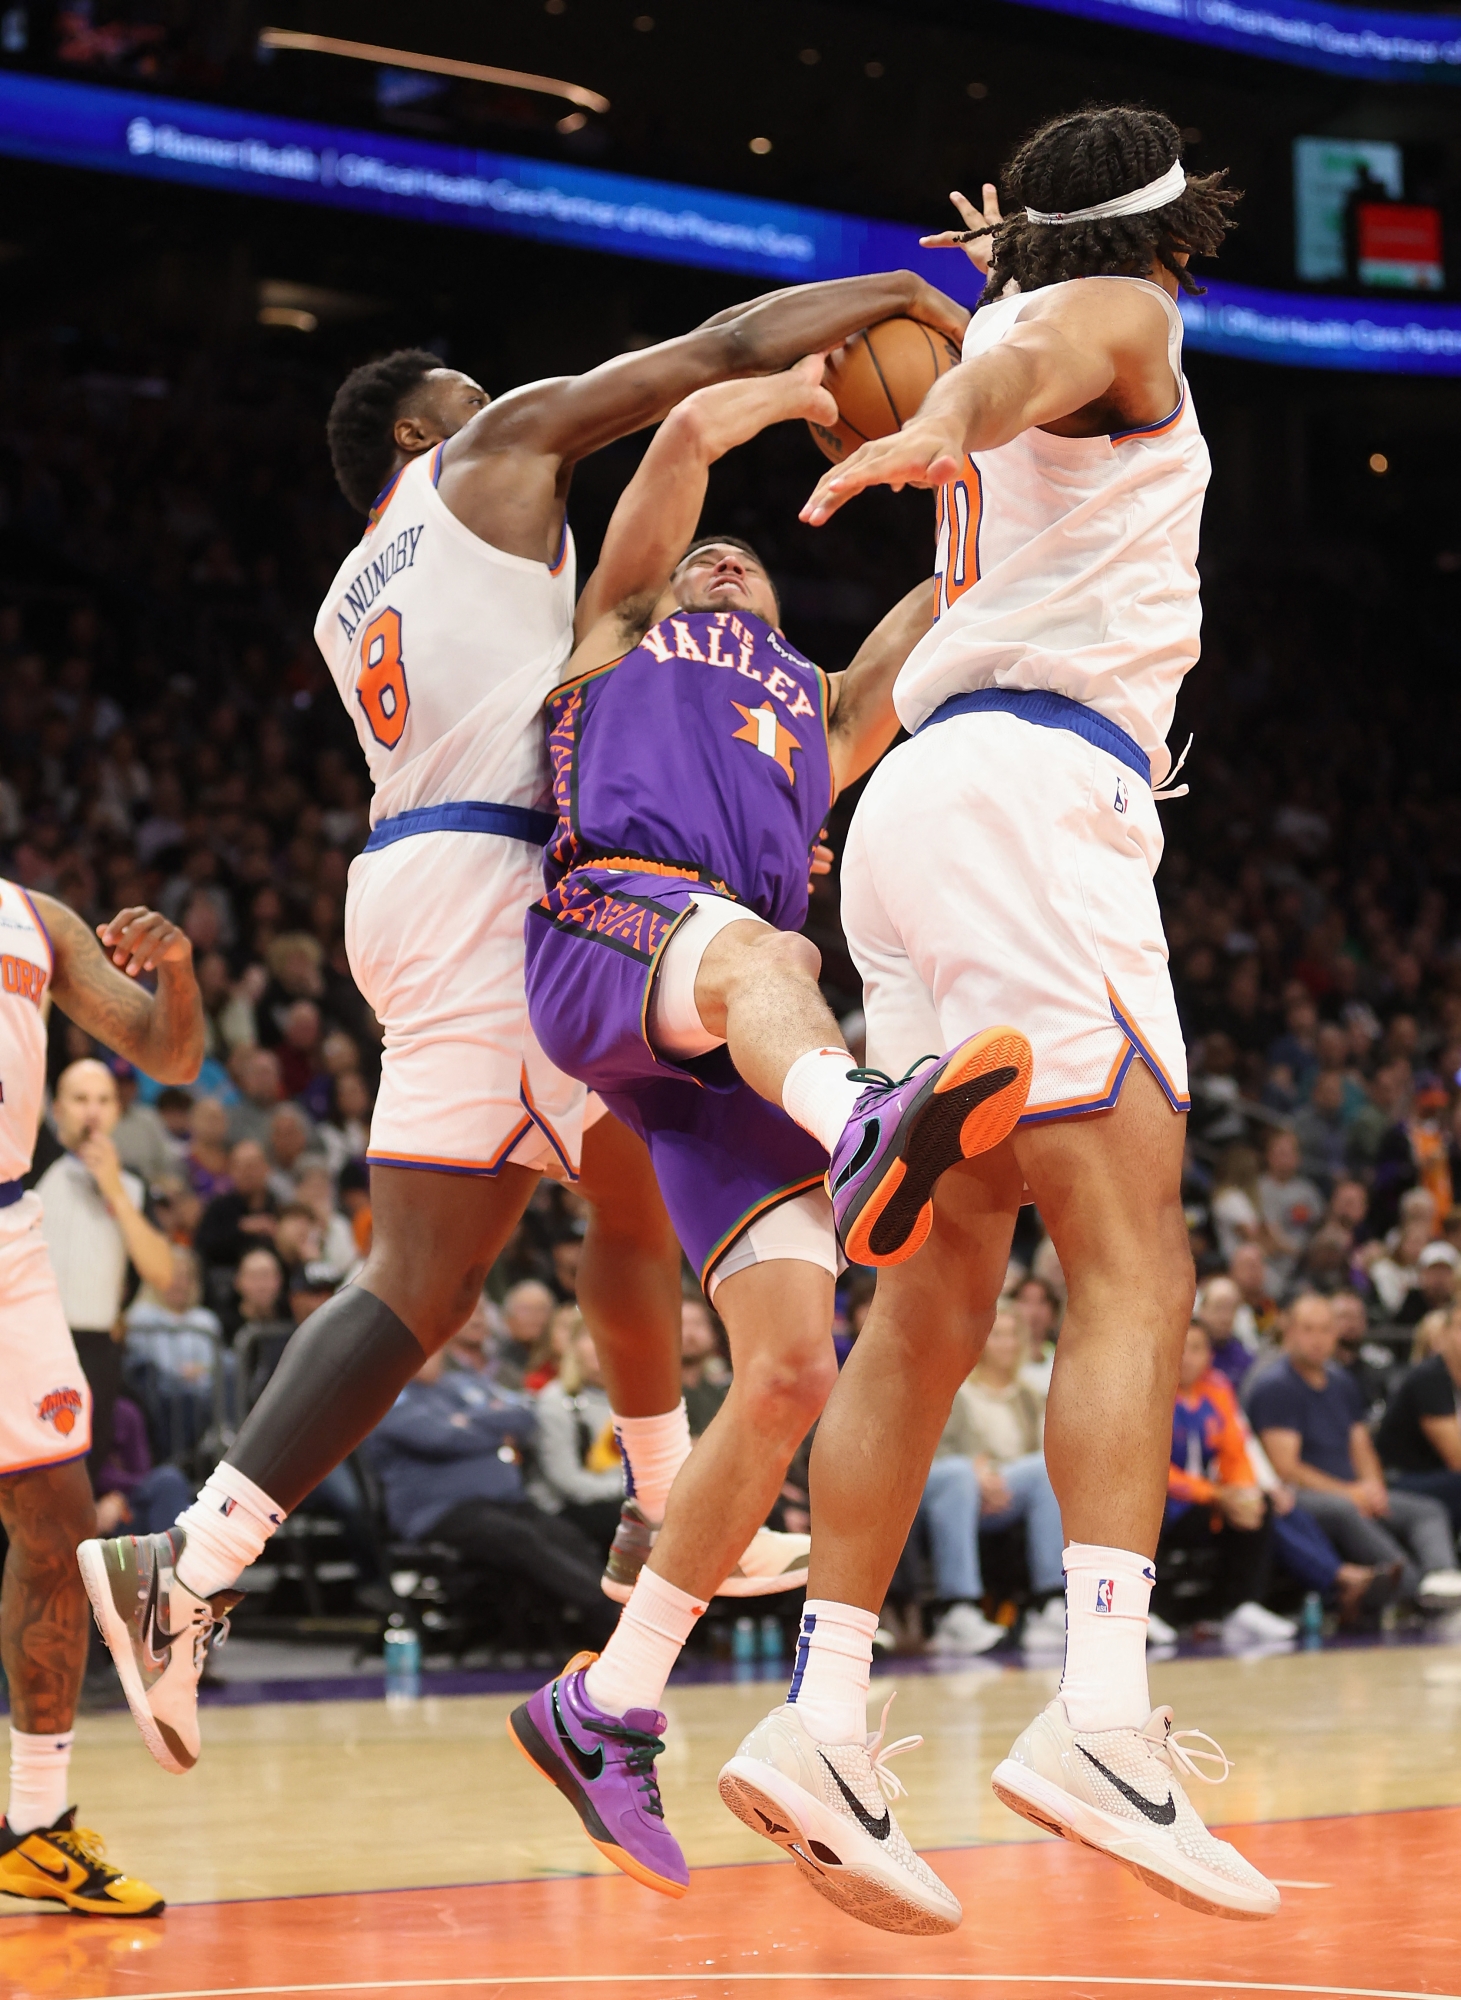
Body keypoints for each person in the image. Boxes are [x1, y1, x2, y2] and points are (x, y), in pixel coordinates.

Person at [81, 262, 970, 1776]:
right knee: (627, 1148)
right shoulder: (488, 456)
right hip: (505, 872)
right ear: (434, 424)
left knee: (451, 1260)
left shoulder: (346, 591)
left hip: (404, 880)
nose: (508, 413)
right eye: (476, 400)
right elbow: (709, 356)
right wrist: (902, 293)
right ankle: (634, 1500)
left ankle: (209, 1558)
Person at [720, 107, 1284, 1929]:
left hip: (916, 816)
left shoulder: (1006, 393)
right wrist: (944, 410)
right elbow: (1044, 350)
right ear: (1166, 232)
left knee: (942, 1288)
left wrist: (810, 804)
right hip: (1043, 808)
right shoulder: (1118, 318)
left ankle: (820, 1715)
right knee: (1132, 1262)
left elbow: (880, 671)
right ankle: (1101, 1718)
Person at [508, 363, 1030, 1905]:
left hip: (735, 1048)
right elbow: (675, 441)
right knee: (775, 957)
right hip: (618, 928)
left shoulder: (816, 705)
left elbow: (951, 587)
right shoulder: (616, 636)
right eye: (698, 558)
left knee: (796, 1366)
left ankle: (609, 1699)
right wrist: (798, 382)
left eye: (746, 560)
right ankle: (870, 1116)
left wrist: (990, 449)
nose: (720, 558)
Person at [0, 894, 200, 1915]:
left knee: (60, 1526)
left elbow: (168, 1054)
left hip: (7, 1233)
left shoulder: (34, 922)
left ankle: (33, 1822)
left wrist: (176, 971)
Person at [367, 1345, 615, 1648]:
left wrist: (467, 1422)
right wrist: (490, 1424)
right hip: (440, 1512)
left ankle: (601, 1621)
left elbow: (525, 1412)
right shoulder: (386, 1398)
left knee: (565, 1534)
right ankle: (609, 1616)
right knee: (517, 1537)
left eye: (434, 1350)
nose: (430, 1357)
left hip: (506, 1502)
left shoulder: (464, 1384)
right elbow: (442, 1438)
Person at [1249, 1293, 1461, 1611]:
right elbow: (1286, 1469)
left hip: (1352, 1490)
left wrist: (1373, 1487)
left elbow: (1361, 1446)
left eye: (1325, 1330)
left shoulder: (1342, 1382)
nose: (1317, 1339)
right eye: (1308, 1329)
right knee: (1344, 1511)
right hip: (1302, 1496)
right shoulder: (1275, 1387)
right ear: (1288, 1332)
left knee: (1427, 1510)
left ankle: (1442, 1577)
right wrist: (1350, 1493)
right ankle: (1413, 1588)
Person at [36, 1058, 178, 1493]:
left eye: (103, 1100)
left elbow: (164, 1273)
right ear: (56, 1108)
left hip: (98, 1349)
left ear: (118, 1111)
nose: (92, 1112)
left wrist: (114, 1189)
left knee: (82, 1482)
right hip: (33, 1345)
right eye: (80, 1100)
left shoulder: (131, 1184)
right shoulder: (30, 1167)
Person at [932, 1309, 1065, 1652]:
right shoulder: (955, 1390)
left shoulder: (1031, 1396)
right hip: (959, 1485)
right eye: (997, 1334)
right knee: (960, 1475)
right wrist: (978, 1472)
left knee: (1047, 1467)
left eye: (1011, 1335)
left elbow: (1040, 1451)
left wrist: (997, 1481)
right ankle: (956, 1610)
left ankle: (1051, 1603)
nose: (1006, 1343)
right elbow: (935, 1453)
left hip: (1010, 1487)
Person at [1158, 1323, 1295, 1647]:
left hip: (1206, 1501)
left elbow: (1236, 1451)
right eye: (1181, 1348)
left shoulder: (1218, 1389)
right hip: (1163, 1503)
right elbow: (1156, 1469)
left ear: (1209, 1355)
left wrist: (1242, 1493)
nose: (1187, 1358)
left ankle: (1243, 1604)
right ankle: (1153, 1613)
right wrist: (1219, 1496)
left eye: (1196, 1349)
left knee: (1259, 1503)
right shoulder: (1154, 1392)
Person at [530, 1320, 628, 1556]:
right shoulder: (556, 1402)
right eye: (591, 1338)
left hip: (628, 1497)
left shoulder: (635, 1396)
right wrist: (631, 1489)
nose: (601, 1346)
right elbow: (568, 1482)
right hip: (569, 1508)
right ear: (574, 1348)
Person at [1375, 1301, 1461, 1534]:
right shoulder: (1430, 1378)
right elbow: (1457, 1458)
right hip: (1398, 1479)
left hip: (1437, 1476)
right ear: (1446, 1334)